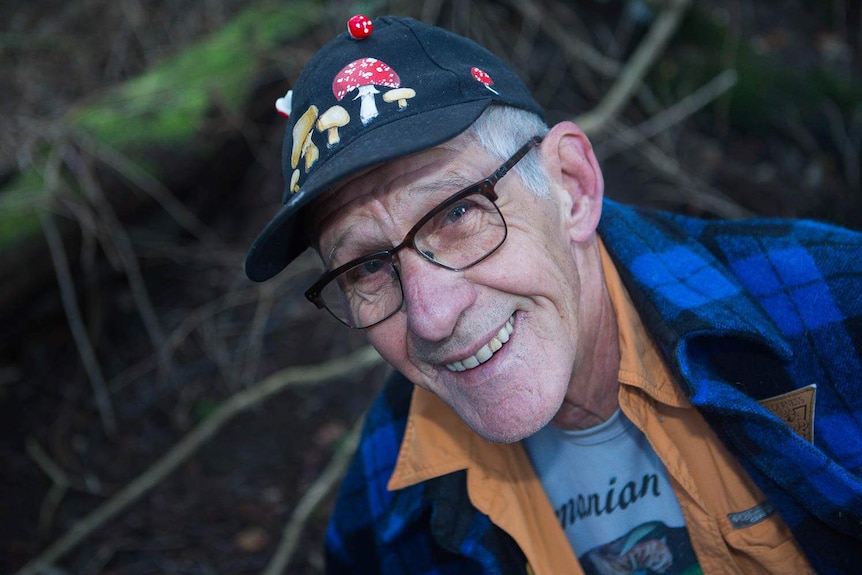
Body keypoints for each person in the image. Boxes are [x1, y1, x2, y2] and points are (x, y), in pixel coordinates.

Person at [245, 14, 862, 575]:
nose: (431, 316)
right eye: (367, 267)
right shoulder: (388, 489)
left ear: (572, 186)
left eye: (458, 214)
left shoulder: (833, 306)